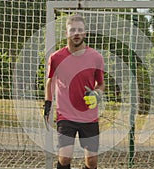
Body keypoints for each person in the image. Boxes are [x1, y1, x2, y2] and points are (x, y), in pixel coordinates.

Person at [43, 14, 105, 169]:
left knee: (91, 162)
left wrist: (97, 94)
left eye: (80, 30)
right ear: (66, 33)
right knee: (65, 157)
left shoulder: (96, 57)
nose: (76, 33)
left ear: (85, 33)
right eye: (72, 30)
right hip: (66, 115)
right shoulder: (56, 57)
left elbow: (101, 84)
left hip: (89, 116)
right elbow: (50, 81)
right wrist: (48, 104)